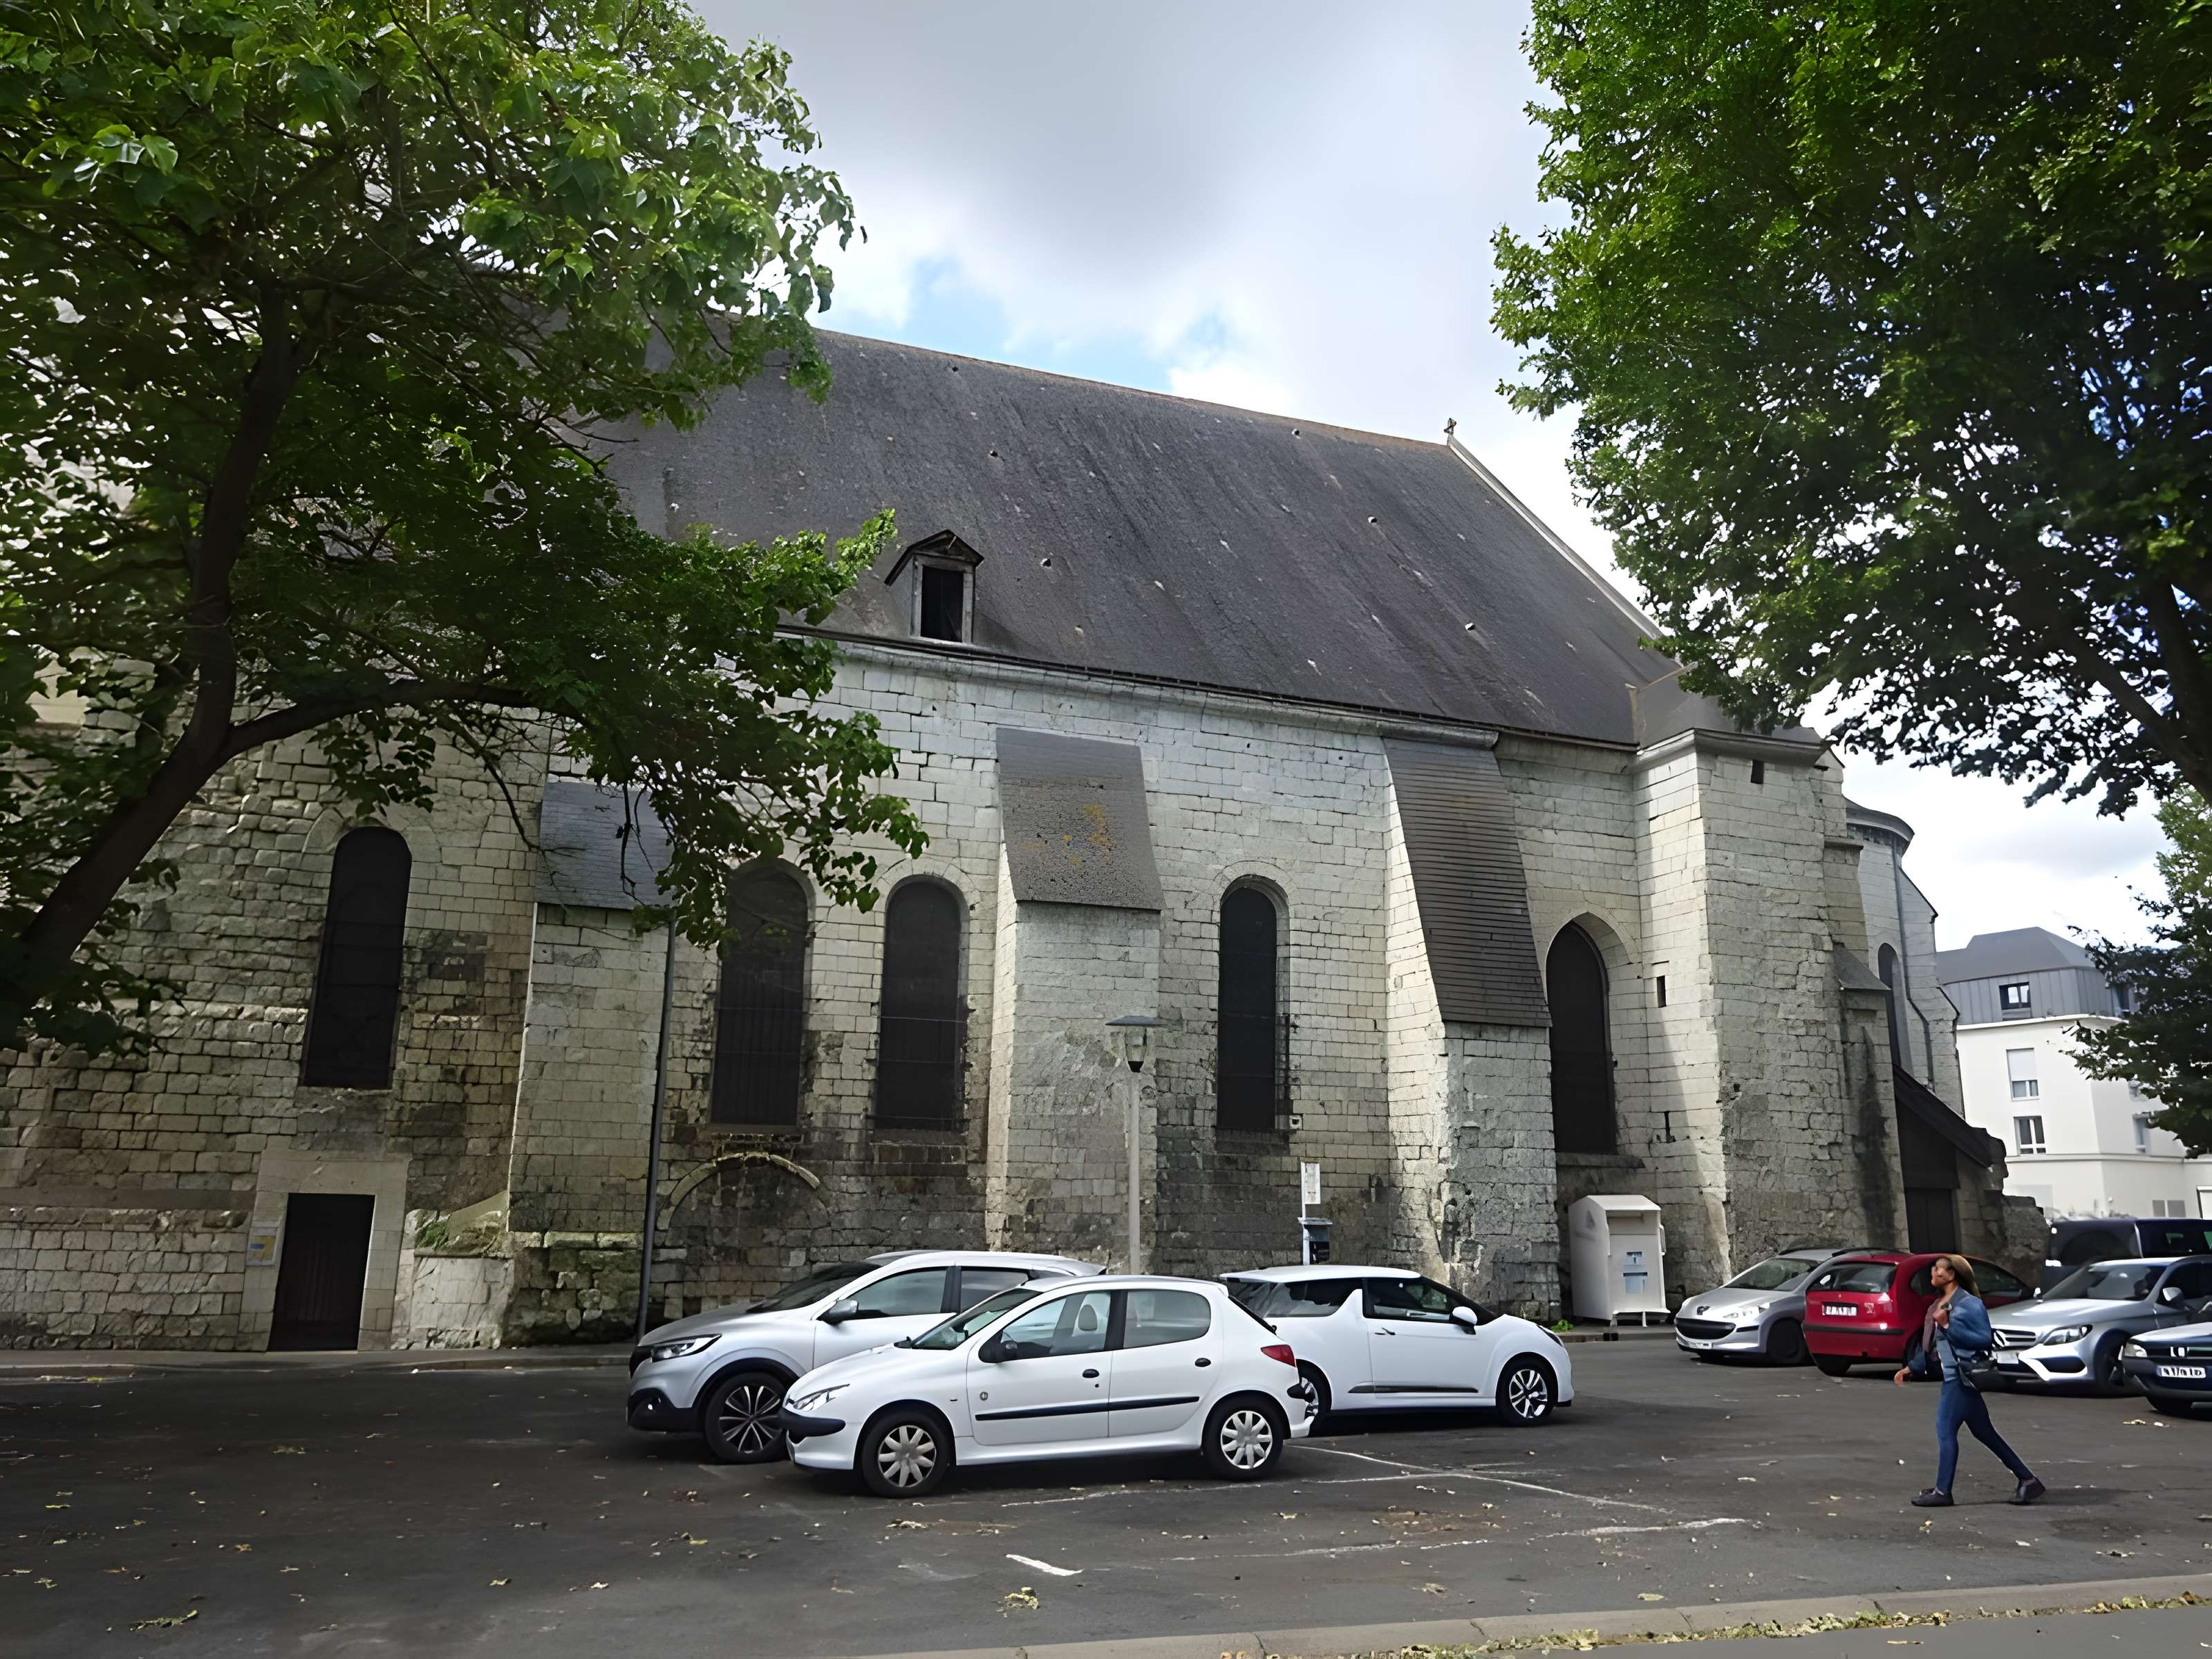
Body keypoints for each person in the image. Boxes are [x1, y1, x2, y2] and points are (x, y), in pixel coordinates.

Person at [1895, 1254, 2044, 1508]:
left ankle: (1943, 1492)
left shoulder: (1969, 1304)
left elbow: (1983, 1339)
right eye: (1934, 1270)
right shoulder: (1938, 1305)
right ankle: (2029, 1481)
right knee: (1986, 1434)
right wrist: (1912, 1367)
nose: (1934, 1274)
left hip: (1961, 1378)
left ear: (1953, 1275)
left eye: (1940, 1270)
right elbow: (1933, 1346)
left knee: (1945, 1431)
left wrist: (1950, 1325)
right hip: (1954, 1378)